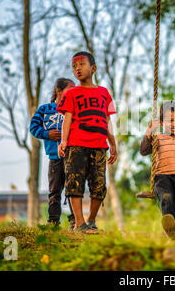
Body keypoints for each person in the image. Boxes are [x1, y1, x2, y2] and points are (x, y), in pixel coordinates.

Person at [57, 51, 118, 234]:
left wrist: (113, 143)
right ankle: (79, 222)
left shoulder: (104, 93)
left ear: (93, 68)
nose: (77, 68)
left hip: (99, 145)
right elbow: (67, 119)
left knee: (99, 185)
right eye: (74, 66)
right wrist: (63, 141)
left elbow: (107, 120)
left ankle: (91, 221)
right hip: (76, 144)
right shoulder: (72, 93)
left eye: (81, 64)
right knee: (74, 182)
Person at [140, 101, 175, 240]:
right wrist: (149, 132)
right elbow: (143, 151)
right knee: (166, 196)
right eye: (169, 120)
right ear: (160, 122)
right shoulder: (157, 137)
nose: (173, 124)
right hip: (162, 177)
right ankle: (173, 227)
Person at [30, 77, 76, 229]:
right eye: (70, 91)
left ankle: (75, 221)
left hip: (72, 157)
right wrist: (47, 134)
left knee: (73, 188)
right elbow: (33, 127)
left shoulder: (74, 111)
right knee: (55, 190)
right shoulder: (45, 110)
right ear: (58, 91)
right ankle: (53, 221)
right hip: (55, 158)